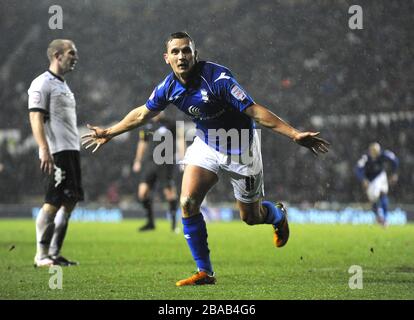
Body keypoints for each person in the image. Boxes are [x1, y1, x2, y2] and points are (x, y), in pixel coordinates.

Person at [82, 32, 330, 286]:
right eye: (176, 52)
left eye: (186, 51)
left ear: (195, 54)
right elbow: (141, 115)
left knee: (250, 217)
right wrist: (109, 132)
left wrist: (294, 134)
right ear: (166, 58)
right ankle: (205, 272)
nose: (182, 56)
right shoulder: (168, 87)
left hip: (241, 149)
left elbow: (254, 111)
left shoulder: (218, 79)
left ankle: (276, 215)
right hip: (207, 146)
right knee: (188, 202)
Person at [28, 39, 83, 267]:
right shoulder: (42, 83)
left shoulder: (64, 85)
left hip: (71, 150)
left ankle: (53, 253)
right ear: (57, 55)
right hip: (56, 151)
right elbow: (35, 117)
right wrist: (44, 148)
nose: (75, 57)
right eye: (72, 53)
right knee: (52, 201)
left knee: (70, 201)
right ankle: (41, 256)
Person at [132, 112, 180, 232]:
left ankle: (174, 224)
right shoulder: (146, 124)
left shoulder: (170, 123)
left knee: (169, 192)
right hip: (150, 162)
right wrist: (138, 160)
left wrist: (182, 157)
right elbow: (142, 142)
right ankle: (150, 222)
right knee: (142, 193)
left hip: (165, 161)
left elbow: (179, 139)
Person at [355, 142, 399, 226]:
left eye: (376, 151)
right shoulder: (365, 157)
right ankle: (378, 217)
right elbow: (357, 169)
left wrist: (394, 173)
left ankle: (385, 218)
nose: (374, 153)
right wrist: (363, 179)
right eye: (373, 151)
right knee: (373, 199)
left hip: (380, 176)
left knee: (383, 194)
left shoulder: (383, 154)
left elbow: (395, 160)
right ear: (370, 151)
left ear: (379, 150)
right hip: (370, 180)